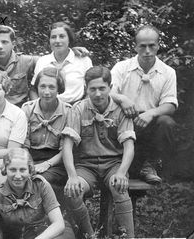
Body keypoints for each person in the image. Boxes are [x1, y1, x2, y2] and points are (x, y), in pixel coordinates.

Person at [61, 66, 135, 238]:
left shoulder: (120, 110)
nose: (98, 94)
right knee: (73, 191)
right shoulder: (78, 109)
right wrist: (72, 176)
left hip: (113, 165)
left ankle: (129, 236)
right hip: (87, 166)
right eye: (92, 89)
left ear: (110, 87)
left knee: (119, 186)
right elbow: (67, 146)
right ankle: (89, 234)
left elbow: (129, 146)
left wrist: (122, 173)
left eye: (102, 88)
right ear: (86, 89)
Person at [0, 25, 88, 107]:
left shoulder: (26, 61)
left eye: (5, 42)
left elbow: (52, 59)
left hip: (18, 116)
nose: (0, 46)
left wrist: (70, 50)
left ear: (13, 44)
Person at [110, 25, 178, 184]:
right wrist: (122, 99)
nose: (147, 50)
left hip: (149, 126)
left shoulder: (168, 72)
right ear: (135, 46)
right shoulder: (122, 68)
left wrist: (151, 113)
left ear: (158, 46)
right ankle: (118, 167)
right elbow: (108, 92)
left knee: (166, 122)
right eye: (143, 46)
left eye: (152, 45)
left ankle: (150, 166)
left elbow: (170, 105)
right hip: (124, 123)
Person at [0, 148, 75, 239]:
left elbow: (58, 224)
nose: (18, 176)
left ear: (30, 170)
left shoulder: (40, 185)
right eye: (12, 170)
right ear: (5, 169)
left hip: (50, 232)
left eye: (22, 170)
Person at [22, 67, 71, 199]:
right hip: (30, 158)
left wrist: (46, 164)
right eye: (42, 86)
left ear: (59, 88)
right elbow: (24, 143)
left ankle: (49, 217)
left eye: (51, 87)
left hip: (56, 162)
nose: (46, 92)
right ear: (37, 88)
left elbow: (66, 149)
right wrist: (30, 163)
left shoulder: (68, 112)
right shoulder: (27, 109)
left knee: (40, 181)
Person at [29, 22, 92, 105]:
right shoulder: (43, 61)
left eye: (62, 36)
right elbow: (33, 90)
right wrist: (38, 108)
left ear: (69, 39)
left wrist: (82, 108)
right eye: (53, 37)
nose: (57, 41)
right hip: (47, 108)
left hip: (76, 108)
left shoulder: (83, 60)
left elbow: (91, 88)